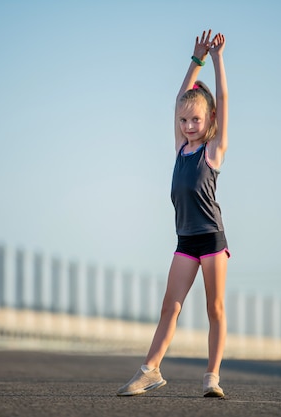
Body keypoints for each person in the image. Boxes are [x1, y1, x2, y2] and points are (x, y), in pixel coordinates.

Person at [117, 29, 229, 398]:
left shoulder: (211, 151)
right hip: (185, 241)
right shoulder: (181, 147)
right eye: (183, 121)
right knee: (170, 307)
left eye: (195, 120)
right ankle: (150, 370)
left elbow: (224, 98)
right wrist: (194, 60)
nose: (187, 125)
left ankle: (211, 377)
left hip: (211, 240)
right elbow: (179, 100)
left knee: (214, 308)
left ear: (209, 120)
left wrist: (216, 60)